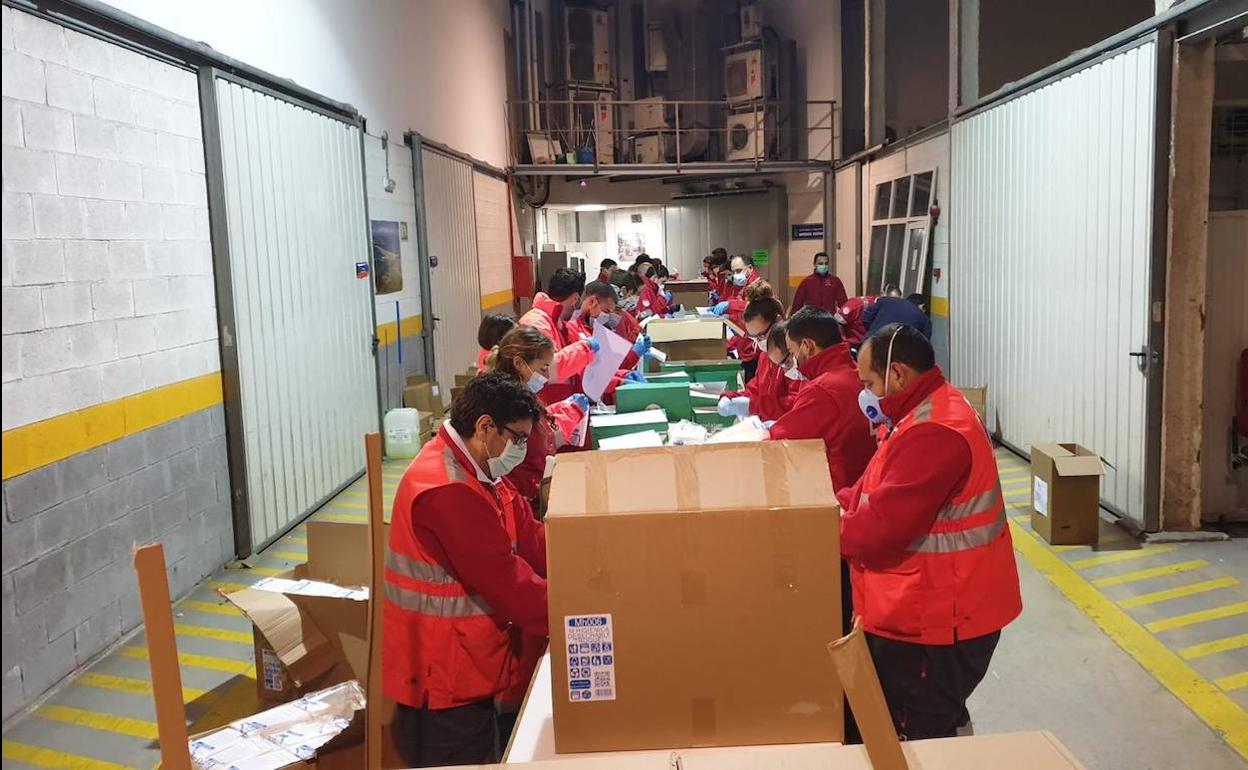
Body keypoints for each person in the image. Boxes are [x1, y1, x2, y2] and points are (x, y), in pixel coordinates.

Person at [837, 324, 1021, 740]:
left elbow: (880, 531)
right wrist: (839, 500)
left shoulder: (933, 432)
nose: (865, 393)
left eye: (869, 382)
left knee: (916, 732)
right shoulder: (922, 412)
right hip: (932, 610)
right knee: (937, 716)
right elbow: (874, 486)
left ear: (897, 374)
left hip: (938, 620)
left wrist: (818, 530)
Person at [383, 373, 548, 767]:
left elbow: (530, 536)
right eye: (518, 438)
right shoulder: (447, 489)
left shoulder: (481, 471)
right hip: (444, 678)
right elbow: (506, 581)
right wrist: (578, 608)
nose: (521, 449)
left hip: (471, 664)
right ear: (485, 426)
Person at [768, 306, 876, 491]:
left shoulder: (823, 390)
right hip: (863, 484)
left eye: (793, 353)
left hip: (838, 496)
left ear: (807, 346)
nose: (794, 362)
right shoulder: (856, 371)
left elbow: (780, 442)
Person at [483, 326, 589, 502]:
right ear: (519, 363)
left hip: (531, 494)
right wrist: (571, 413)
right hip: (518, 497)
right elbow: (539, 436)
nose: (547, 376)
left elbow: (542, 424)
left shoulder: (523, 396)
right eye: (543, 368)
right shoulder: (507, 406)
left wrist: (566, 409)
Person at [517, 268, 598, 404]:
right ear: (575, 298)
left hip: (558, 403)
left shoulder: (556, 322)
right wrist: (584, 349)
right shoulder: (535, 323)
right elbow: (547, 369)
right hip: (543, 405)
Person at [717, 302, 802, 422]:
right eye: (753, 338)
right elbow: (757, 387)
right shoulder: (764, 355)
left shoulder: (793, 360)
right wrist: (733, 397)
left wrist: (754, 406)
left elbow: (796, 402)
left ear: (778, 320)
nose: (759, 342)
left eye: (761, 336)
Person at [862, 286, 932, 340]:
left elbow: (866, 318)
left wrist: (873, 329)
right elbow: (924, 345)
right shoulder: (924, 319)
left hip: (871, 344)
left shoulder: (885, 300)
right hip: (898, 353)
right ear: (922, 306)